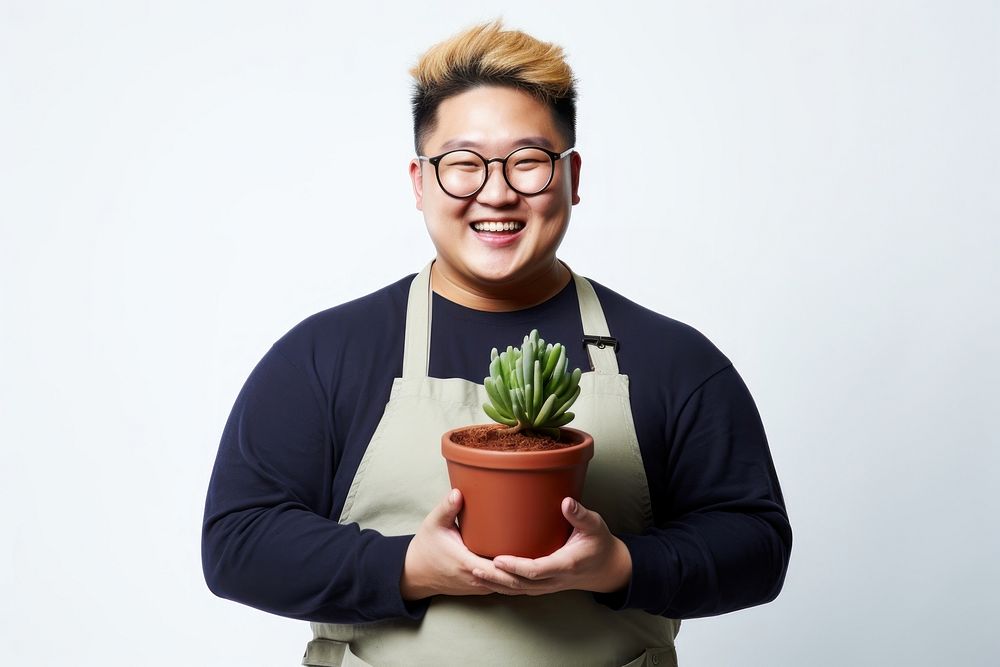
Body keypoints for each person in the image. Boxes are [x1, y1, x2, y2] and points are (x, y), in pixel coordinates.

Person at [202, 20, 791, 667]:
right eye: (462, 164)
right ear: (420, 181)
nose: (497, 189)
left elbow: (758, 546)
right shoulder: (324, 354)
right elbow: (237, 542)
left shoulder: (675, 361)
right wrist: (407, 567)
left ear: (571, 176)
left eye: (529, 161)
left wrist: (617, 563)